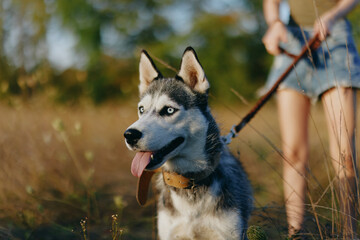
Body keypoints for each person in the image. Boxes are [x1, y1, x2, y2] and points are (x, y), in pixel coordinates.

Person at [262, 0, 360, 238]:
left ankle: (350, 232)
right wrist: (274, 23)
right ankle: (296, 233)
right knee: (293, 154)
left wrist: (332, 15)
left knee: (344, 155)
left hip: (334, 36)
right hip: (292, 39)